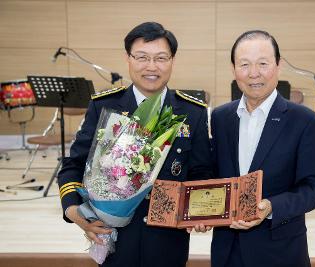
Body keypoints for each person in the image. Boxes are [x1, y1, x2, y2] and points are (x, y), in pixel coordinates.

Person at [57, 21, 213, 267]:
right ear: (128, 59)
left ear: (172, 60)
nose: (151, 67)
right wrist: (74, 212)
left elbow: (202, 171)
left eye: (161, 58)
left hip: (168, 243)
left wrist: (201, 211)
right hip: (115, 240)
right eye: (142, 57)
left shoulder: (192, 112)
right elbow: (73, 165)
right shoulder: (104, 107)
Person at [210, 30, 315, 267]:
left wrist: (272, 206)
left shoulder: (305, 122)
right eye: (244, 64)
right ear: (233, 69)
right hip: (227, 250)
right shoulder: (221, 117)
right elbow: (214, 175)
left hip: (279, 252)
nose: (254, 73)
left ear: (279, 65)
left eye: (263, 63)